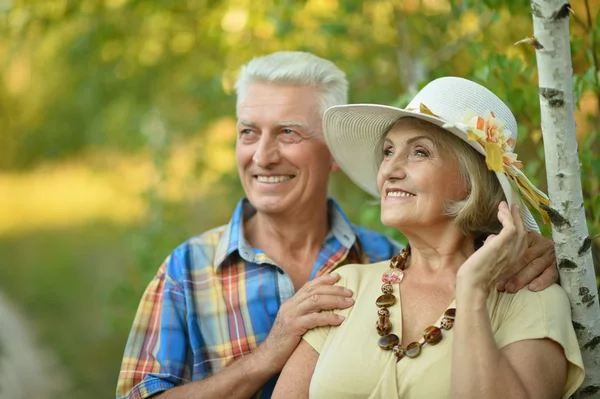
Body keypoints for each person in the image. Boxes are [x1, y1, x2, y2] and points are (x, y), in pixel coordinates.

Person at [116, 53, 559, 399]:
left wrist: (541, 254)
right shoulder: (187, 270)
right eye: (248, 132)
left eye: (288, 132)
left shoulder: (380, 256)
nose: (263, 156)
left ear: (333, 157)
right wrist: (266, 357)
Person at [272, 77, 585, 398]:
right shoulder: (343, 288)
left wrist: (472, 290)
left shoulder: (531, 299)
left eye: (419, 152)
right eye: (388, 151)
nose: (390, 169)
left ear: (471, 179)